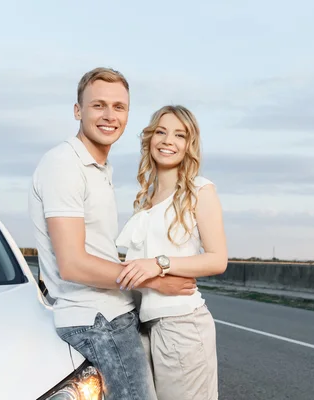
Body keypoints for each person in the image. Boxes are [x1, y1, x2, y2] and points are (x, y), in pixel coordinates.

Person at [28, 68, 197, 400]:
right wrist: (157, 280)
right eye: (98, 106)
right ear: (78, 111)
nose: (109, 116)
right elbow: (73, 265)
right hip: (97, 318)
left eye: (119, 107)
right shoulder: (65, 165)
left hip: (109, 313)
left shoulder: (98, 169)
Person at [115, 104, 228, 400]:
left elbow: (218, 259)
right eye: (162, 132)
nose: (168, 141)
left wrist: (159, 264)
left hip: (183, 325)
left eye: (179, 135)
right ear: (150, 138)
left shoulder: (200, 190)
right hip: (144, 326)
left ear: (189, 145)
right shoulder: (145, 199)